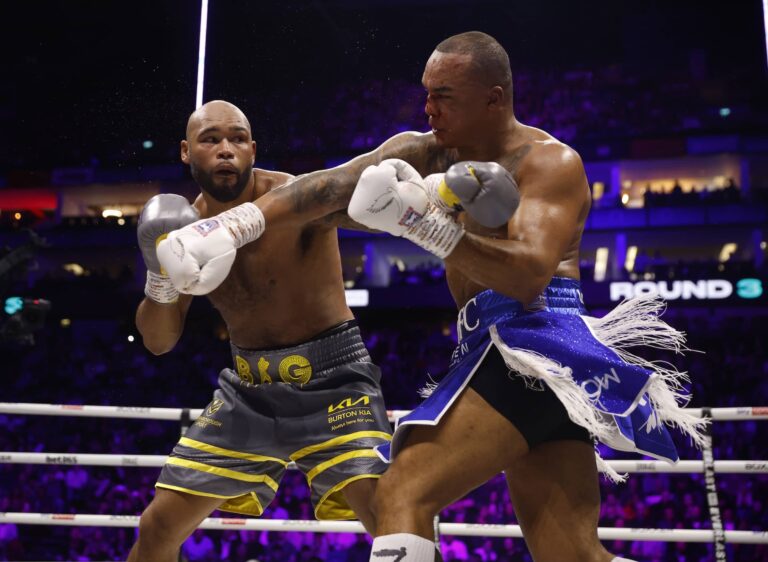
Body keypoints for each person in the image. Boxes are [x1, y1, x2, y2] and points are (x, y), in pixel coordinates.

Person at [157, 33, 705, 562]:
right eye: (426, 93)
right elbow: (323, 188)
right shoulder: (423, 152)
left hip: (534, 345)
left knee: (401, 493)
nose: (428, 108)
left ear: (494, 99)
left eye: (444, 96)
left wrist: (423, 225)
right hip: (491, 348)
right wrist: (229, 227)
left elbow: (529, 278)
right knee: (573, 555)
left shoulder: (548, 163)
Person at [128, 100, 393, 562]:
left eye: (236, 139)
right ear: (187, 152)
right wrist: (159, 274)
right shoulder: (186, 230)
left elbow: (367, 206)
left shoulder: (296, 197)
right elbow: (159, 340)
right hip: (249, 389)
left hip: (334, 379)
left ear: (253, 148)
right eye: (211, 140)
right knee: (157, 527)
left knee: (389, 515)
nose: (225, 150)